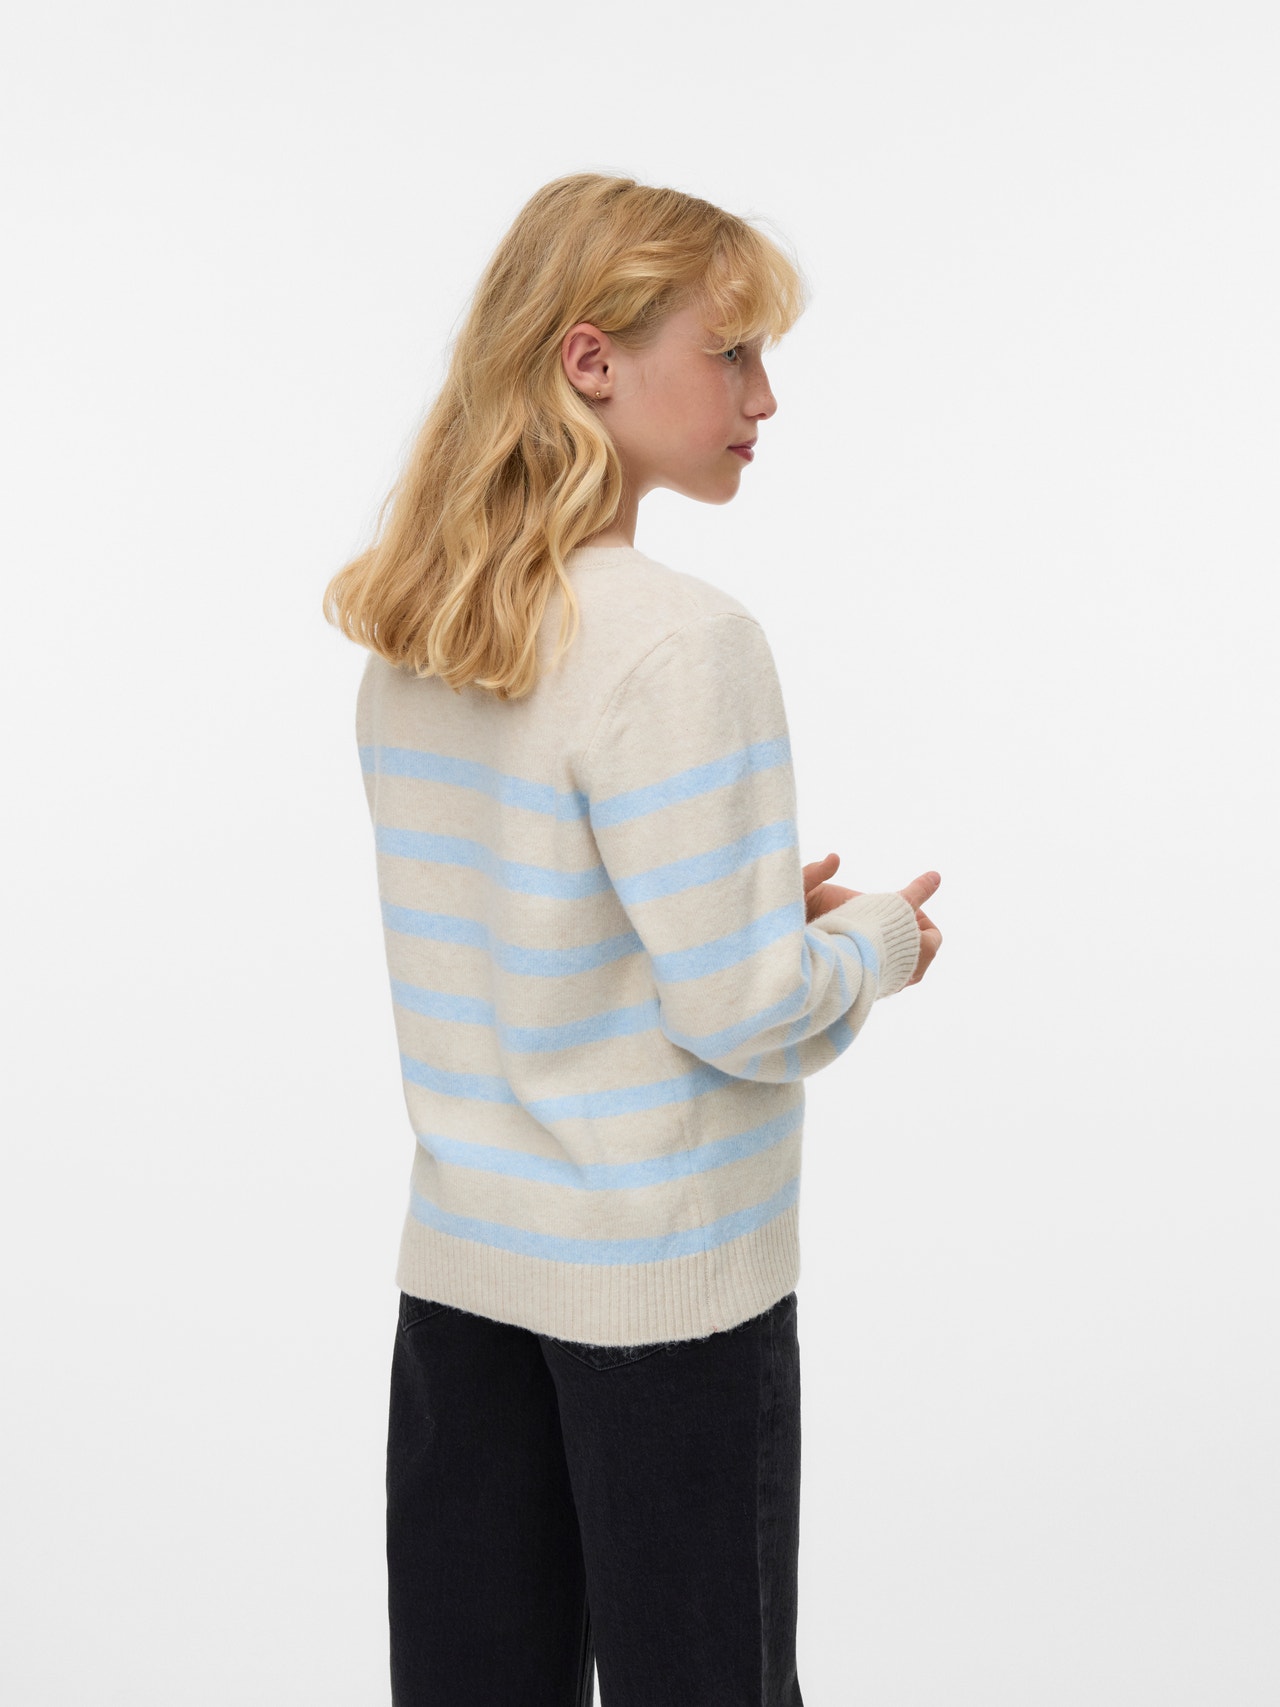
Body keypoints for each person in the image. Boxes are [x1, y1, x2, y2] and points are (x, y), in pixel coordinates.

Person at [322, 171, 942, 1707]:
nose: (763, 397)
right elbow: (746, 1011)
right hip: (664, 1298)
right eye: (731, 353)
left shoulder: (421, 638)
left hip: (467, 1274)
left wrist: (733, 909)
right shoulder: (680, 642)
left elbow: (530, 929)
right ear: (590, 360)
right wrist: (871, 945)